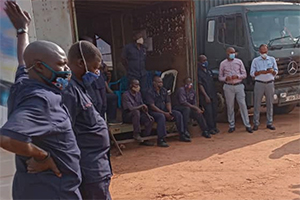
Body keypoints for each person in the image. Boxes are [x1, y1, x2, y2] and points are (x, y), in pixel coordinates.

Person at [0, 2, 82, 199]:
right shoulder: (43, 100)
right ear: (39, 66)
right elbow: (7, 138)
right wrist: (42, 156)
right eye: (61, 65)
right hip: (54, 190)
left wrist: (22, 30)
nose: (67, 70)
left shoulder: (25, 80)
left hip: (33, 188)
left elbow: (23, 59)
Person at [62, 41, 112, 200]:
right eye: (95, 68)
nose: (97, 73)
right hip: (89, 170)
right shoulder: (69, 91)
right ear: (81, 63)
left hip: (97, 167)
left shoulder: (80, 87)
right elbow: (64, 132)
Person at [146, 76, 191, 146]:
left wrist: (169, 112)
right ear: (154, 83)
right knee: (161, 117)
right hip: (153, 112)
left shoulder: (163, 90)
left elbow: (168, 102)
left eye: (161, 82)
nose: (161, 84)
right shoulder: (149, 92)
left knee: (178, 114)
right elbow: (152, 106)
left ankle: (182, 134)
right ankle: (161, 139)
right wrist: (164, 113)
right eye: (159, 82)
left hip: (164, 110)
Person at [219, 47, 253, 133]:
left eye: (234, 52)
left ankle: (247, 125)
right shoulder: (223, 63)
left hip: (239, 85)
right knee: (230, 106)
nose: (232, 54)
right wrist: (226, 78)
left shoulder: (239, 62)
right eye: (231, 52)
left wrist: (238, 77)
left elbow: (244, 74)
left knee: (242, 105)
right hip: (228, 86)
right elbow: (220, 77)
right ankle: (232, 125)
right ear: (227, 53)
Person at [250, 44, 278, 131]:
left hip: (270, 83)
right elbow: (252, 73)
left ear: (267, 51)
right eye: (262, 52)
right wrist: (260, 72)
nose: (264, 53)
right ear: (259, 52)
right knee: (257, 104)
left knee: (270, 103)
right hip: (259, 83)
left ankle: (269, 122)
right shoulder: (255, 61)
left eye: (265, 51)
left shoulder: (272, 59)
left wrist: (272, 71)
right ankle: (256, 123)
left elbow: (276, 72)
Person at [122, 79, 155, 146]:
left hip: (138, 115)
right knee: (136, 112)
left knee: (150, 120)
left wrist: (148, 115)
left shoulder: (138, 94)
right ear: (131, 85)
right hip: (128, 116)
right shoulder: (125, 95)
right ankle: (136, 134)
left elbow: (142, 106)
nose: (138, 86)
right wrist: (141, 106)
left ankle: (145, 138)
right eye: (136, 84)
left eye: (138, 85)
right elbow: (130, 108)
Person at [198, 55, 220, 135]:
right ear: (199, 62)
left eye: (206, 60)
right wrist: (205, 95)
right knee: (208, 113)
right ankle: (209, 128)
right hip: (205, 95)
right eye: (203, 61)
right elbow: (200, 85)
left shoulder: (208, 71)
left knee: (214, 111)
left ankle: (214, 127)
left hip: (212, 94)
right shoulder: (199, 72)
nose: (205, 62)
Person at [121, 30, 147, 96]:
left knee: (144, 91)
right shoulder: (128, 48)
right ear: (134, 37)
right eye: (139, 36)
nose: (141, 38)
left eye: (141, 36)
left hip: (142, 74)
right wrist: (128, 68)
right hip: (132, 74)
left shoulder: (143, 48)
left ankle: (143, 105)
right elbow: (123, 59)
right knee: (133, 91)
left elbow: (144, 60)